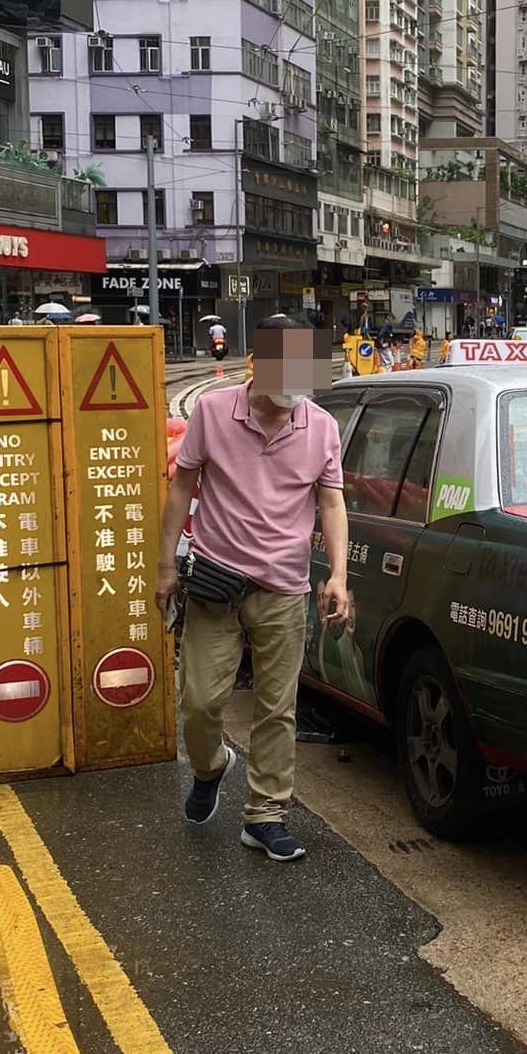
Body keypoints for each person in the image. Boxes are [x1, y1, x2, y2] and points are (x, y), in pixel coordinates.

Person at [156, 316, 348, 863]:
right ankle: (211, 766)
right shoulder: (214, 413)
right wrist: (165, 566)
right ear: (259, 365)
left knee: (277, 708)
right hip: (217, 582)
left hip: (284, 588)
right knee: (198, 702)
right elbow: (181, 488)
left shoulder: (322, 427)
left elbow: (331, 502)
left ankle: (265, 815)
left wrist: (338, 575)